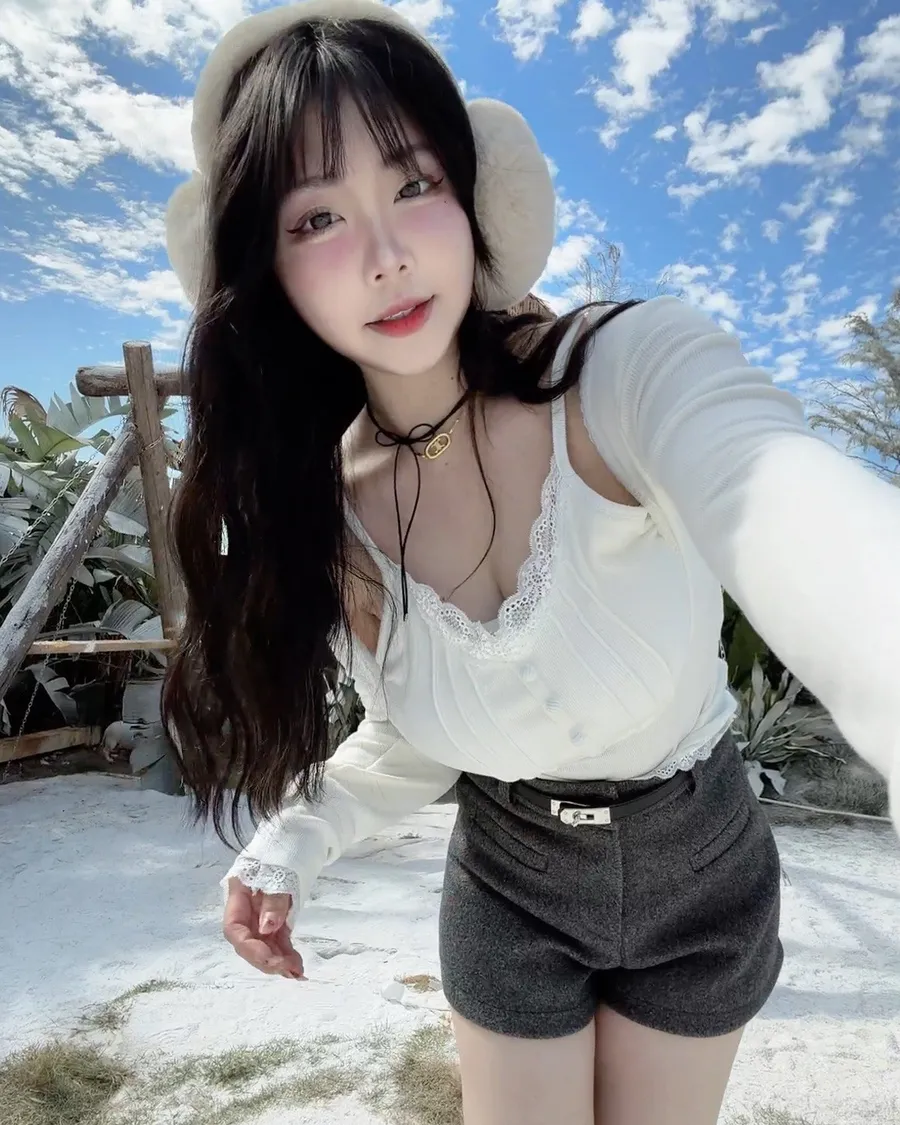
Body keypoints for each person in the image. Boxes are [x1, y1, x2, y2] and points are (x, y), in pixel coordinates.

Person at [160, 3, 900, 1123]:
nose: (386, 256)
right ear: (268, 267)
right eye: (318, 217)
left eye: (413, 183)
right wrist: (293, 838)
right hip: (510, 876)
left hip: (700, 858)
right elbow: (412, 732)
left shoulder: (616, 375)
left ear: (475, 195)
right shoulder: (335, 515)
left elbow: (782, 497)